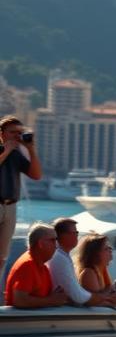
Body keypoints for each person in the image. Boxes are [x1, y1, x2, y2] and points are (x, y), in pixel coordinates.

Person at [0, 116, 44, 288]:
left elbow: (36, 175)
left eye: (20, 133)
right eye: (12, 133)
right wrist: (7, 149)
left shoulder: (17, 154)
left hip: (10, 206)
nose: (16, 136)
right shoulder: (6, 151)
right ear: (2, 134)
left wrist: (31, 149)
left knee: (2, 256)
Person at [47, 217, 116, 308]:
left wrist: (108, 296)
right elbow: (78, 296)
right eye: (75, 232)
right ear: (64, 235)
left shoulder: (63, 257)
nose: (77, 235)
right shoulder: (60, 258)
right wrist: (108, 297)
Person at [3, 222, 67, 308]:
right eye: (53, 240)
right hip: (22, 320)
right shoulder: (27, 265)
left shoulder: (43, 267)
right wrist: (51, 300)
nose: (56, 246)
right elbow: (19, 301)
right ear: (40, 244)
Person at [75, 233, 116, 302]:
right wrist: (110, 292)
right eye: (106, 248)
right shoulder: (89, 273)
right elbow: (94, 302)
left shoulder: (101, 271)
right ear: (95, 254)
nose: (110, 249)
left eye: (109, 247)